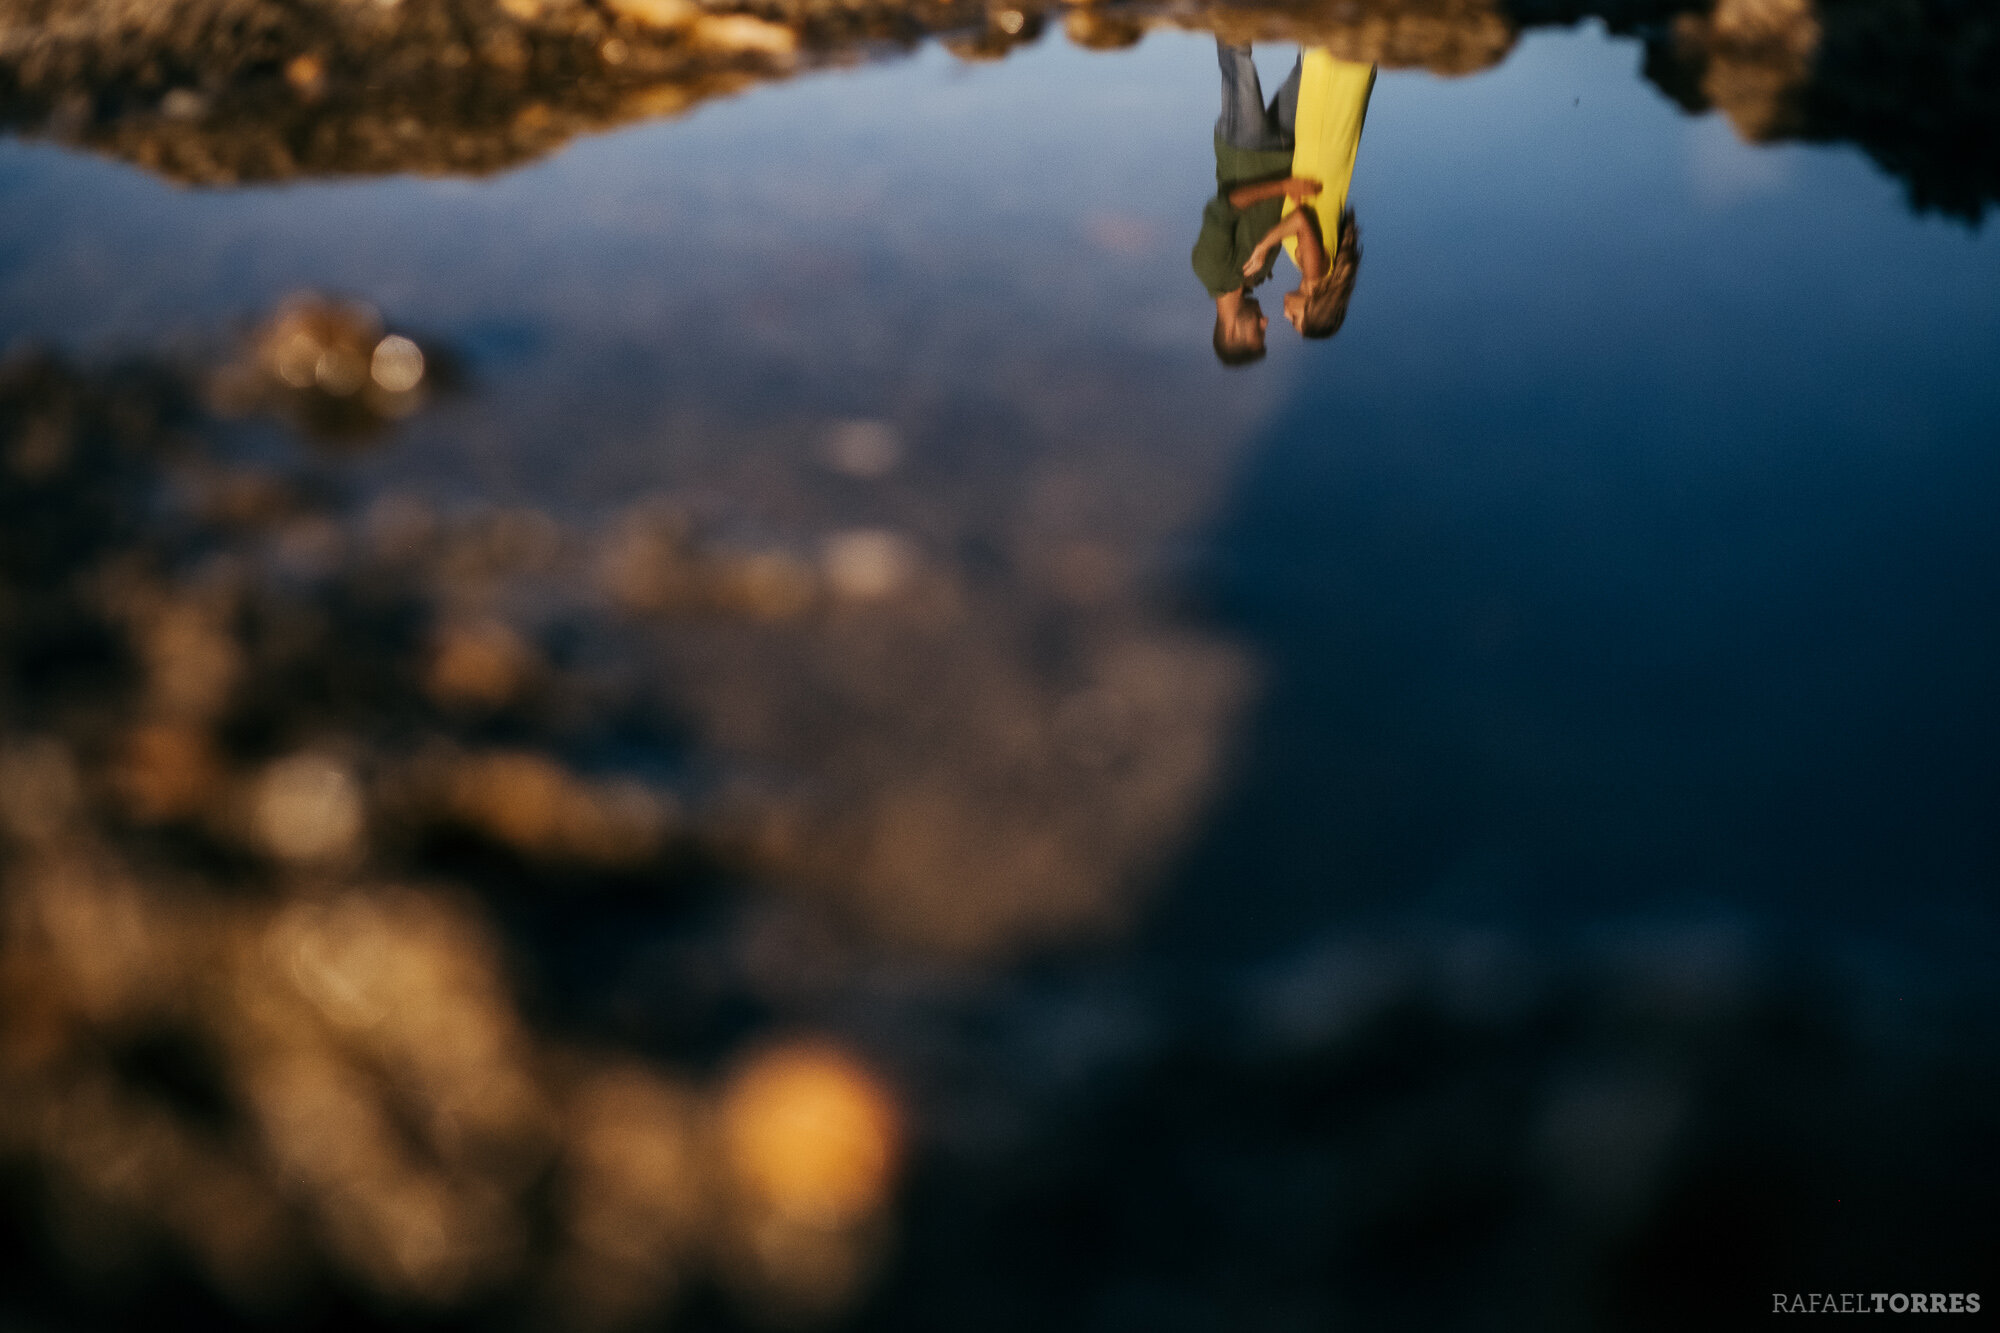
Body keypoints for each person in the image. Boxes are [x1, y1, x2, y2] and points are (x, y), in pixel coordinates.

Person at [1191, 41, 1325, 366]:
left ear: (1234, 332)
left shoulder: (1210, 270)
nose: (1266, 323)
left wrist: (1283, 185)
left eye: (1258, 332)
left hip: (1243, 148)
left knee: (1237, 57)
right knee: (1315, 65)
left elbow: (1229, 203)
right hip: (1284, 151)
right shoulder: (1259, 272)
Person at [1244, 52, 1375, 341]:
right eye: (1295, 319)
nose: (1285, 314)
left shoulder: (1312, 267)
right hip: (1322, 137)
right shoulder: (1316, 272)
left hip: (1321, 143)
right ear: (1314, 308)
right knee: (1326, 53)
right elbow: (1301, 219)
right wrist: (1264, 245)